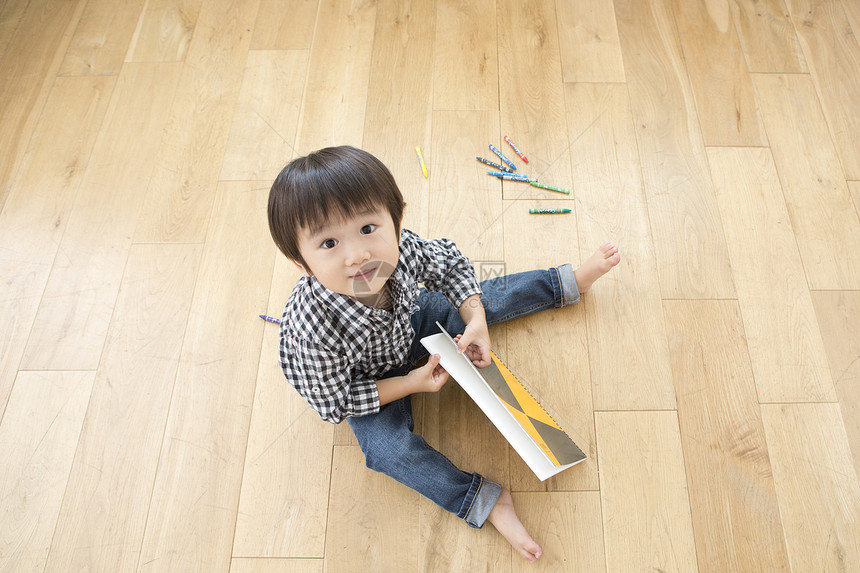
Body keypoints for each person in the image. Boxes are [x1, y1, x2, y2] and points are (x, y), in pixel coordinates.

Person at [267, 145, 619, 562]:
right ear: (300, 262)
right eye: (328, 242)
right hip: (366, 382)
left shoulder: (396, 254)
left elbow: (450, 268)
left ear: (396, 220)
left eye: (368, 228)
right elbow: (335, 400)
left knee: (478, 297)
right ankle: (483, 502)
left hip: (411, 325)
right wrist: (411, 383)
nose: (357, 255)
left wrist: (475, 320)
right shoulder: (310, 329)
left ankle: (566, 283)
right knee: (386, 451)